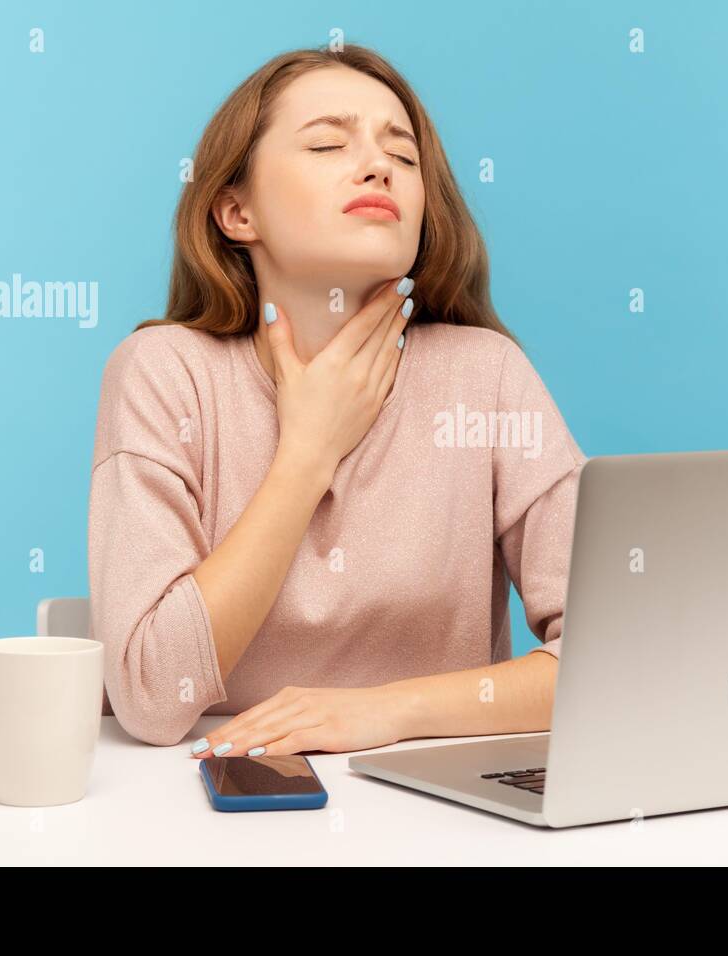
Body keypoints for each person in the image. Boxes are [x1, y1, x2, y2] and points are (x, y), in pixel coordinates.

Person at [87, 45, 585, 759]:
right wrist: (308, 451)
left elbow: (610, 657)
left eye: (404, 157)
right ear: (237, 211)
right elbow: (151, 696)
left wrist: (383, 713)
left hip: (434, 810)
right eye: (326, 143)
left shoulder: (488, 377)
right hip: (211, 797)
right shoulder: (165, 374)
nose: (379, 166)